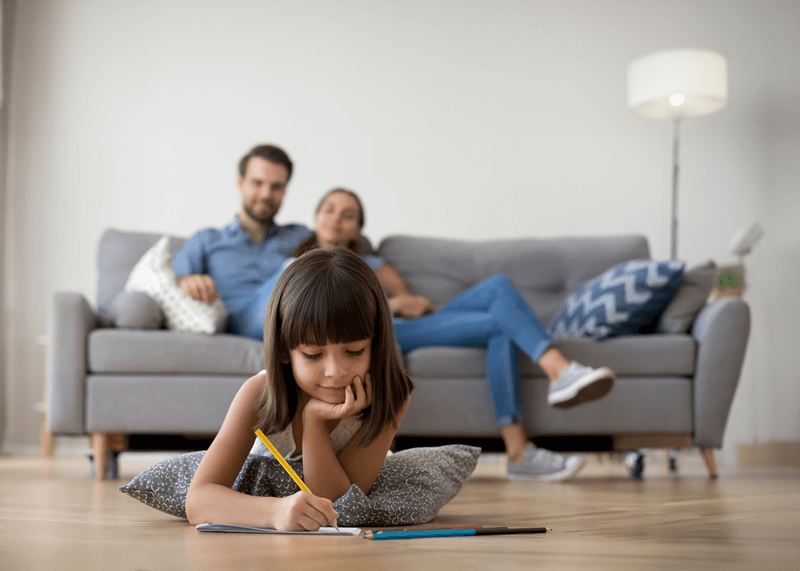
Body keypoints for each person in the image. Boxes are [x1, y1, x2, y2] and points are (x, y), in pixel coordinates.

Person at [293, 188, 617, 481]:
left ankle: (548, 394)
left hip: (405, 326)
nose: (337, 219)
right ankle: (526, 436)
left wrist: (405, 301)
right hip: (379, 331)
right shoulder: (298, 265)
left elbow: (412, 304)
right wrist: (391, 303)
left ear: (358, 229)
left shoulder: (374, 265)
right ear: (316, 216)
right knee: (501, 326)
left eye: (348, 215)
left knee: (498, 288)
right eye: (330, 210)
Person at [185, 248, 413, 530]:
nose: (335, 371)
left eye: (354, 351)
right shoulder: (260, 393)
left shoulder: (391, 395)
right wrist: (274, 511)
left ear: (375, 344)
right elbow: (198, 500)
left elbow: (338, 505)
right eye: (313, 354)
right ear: (283, 349)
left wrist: (314, 420)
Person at [173, 144, 312, 337]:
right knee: (295, 270)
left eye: (276, 187)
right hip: (238, 321)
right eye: (257, 183)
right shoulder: (207, 239)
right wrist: (187, 281)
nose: (265, 194)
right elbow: (175, 279)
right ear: (240, 183)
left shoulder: (299, 235)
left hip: (294, 318)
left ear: (284, 191)